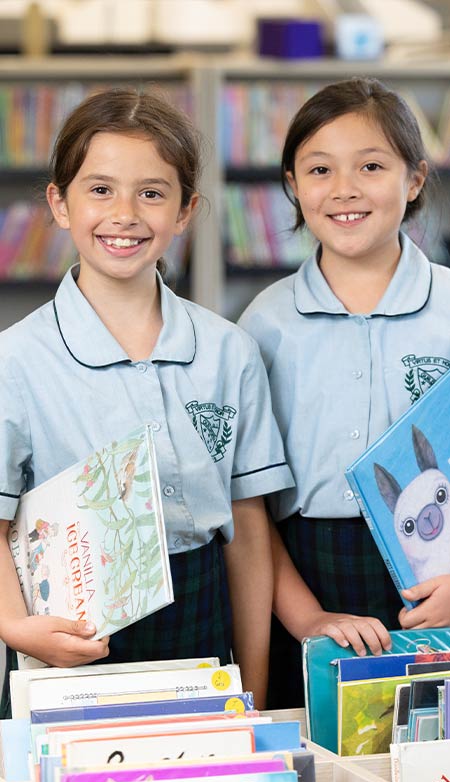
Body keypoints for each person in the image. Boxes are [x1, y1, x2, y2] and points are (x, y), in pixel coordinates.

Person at [0, 87, 294, 716]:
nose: (125, 213)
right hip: (71, 628)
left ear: (186, 211)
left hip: (203, 612)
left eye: (152, 192)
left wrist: (254, 690)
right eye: (100, 189)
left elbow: (246, 532)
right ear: (59, 202)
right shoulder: (15, 360)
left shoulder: (230, 351)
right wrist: (14, 626)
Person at [239, 76, 450, 709]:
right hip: (304, 580)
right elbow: (249, 503)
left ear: (413, 180)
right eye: (320, 169)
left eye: (372, 165)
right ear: (293, 187)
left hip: (437, 575)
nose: (345, 189)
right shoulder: (263, 324)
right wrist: (306, 619)